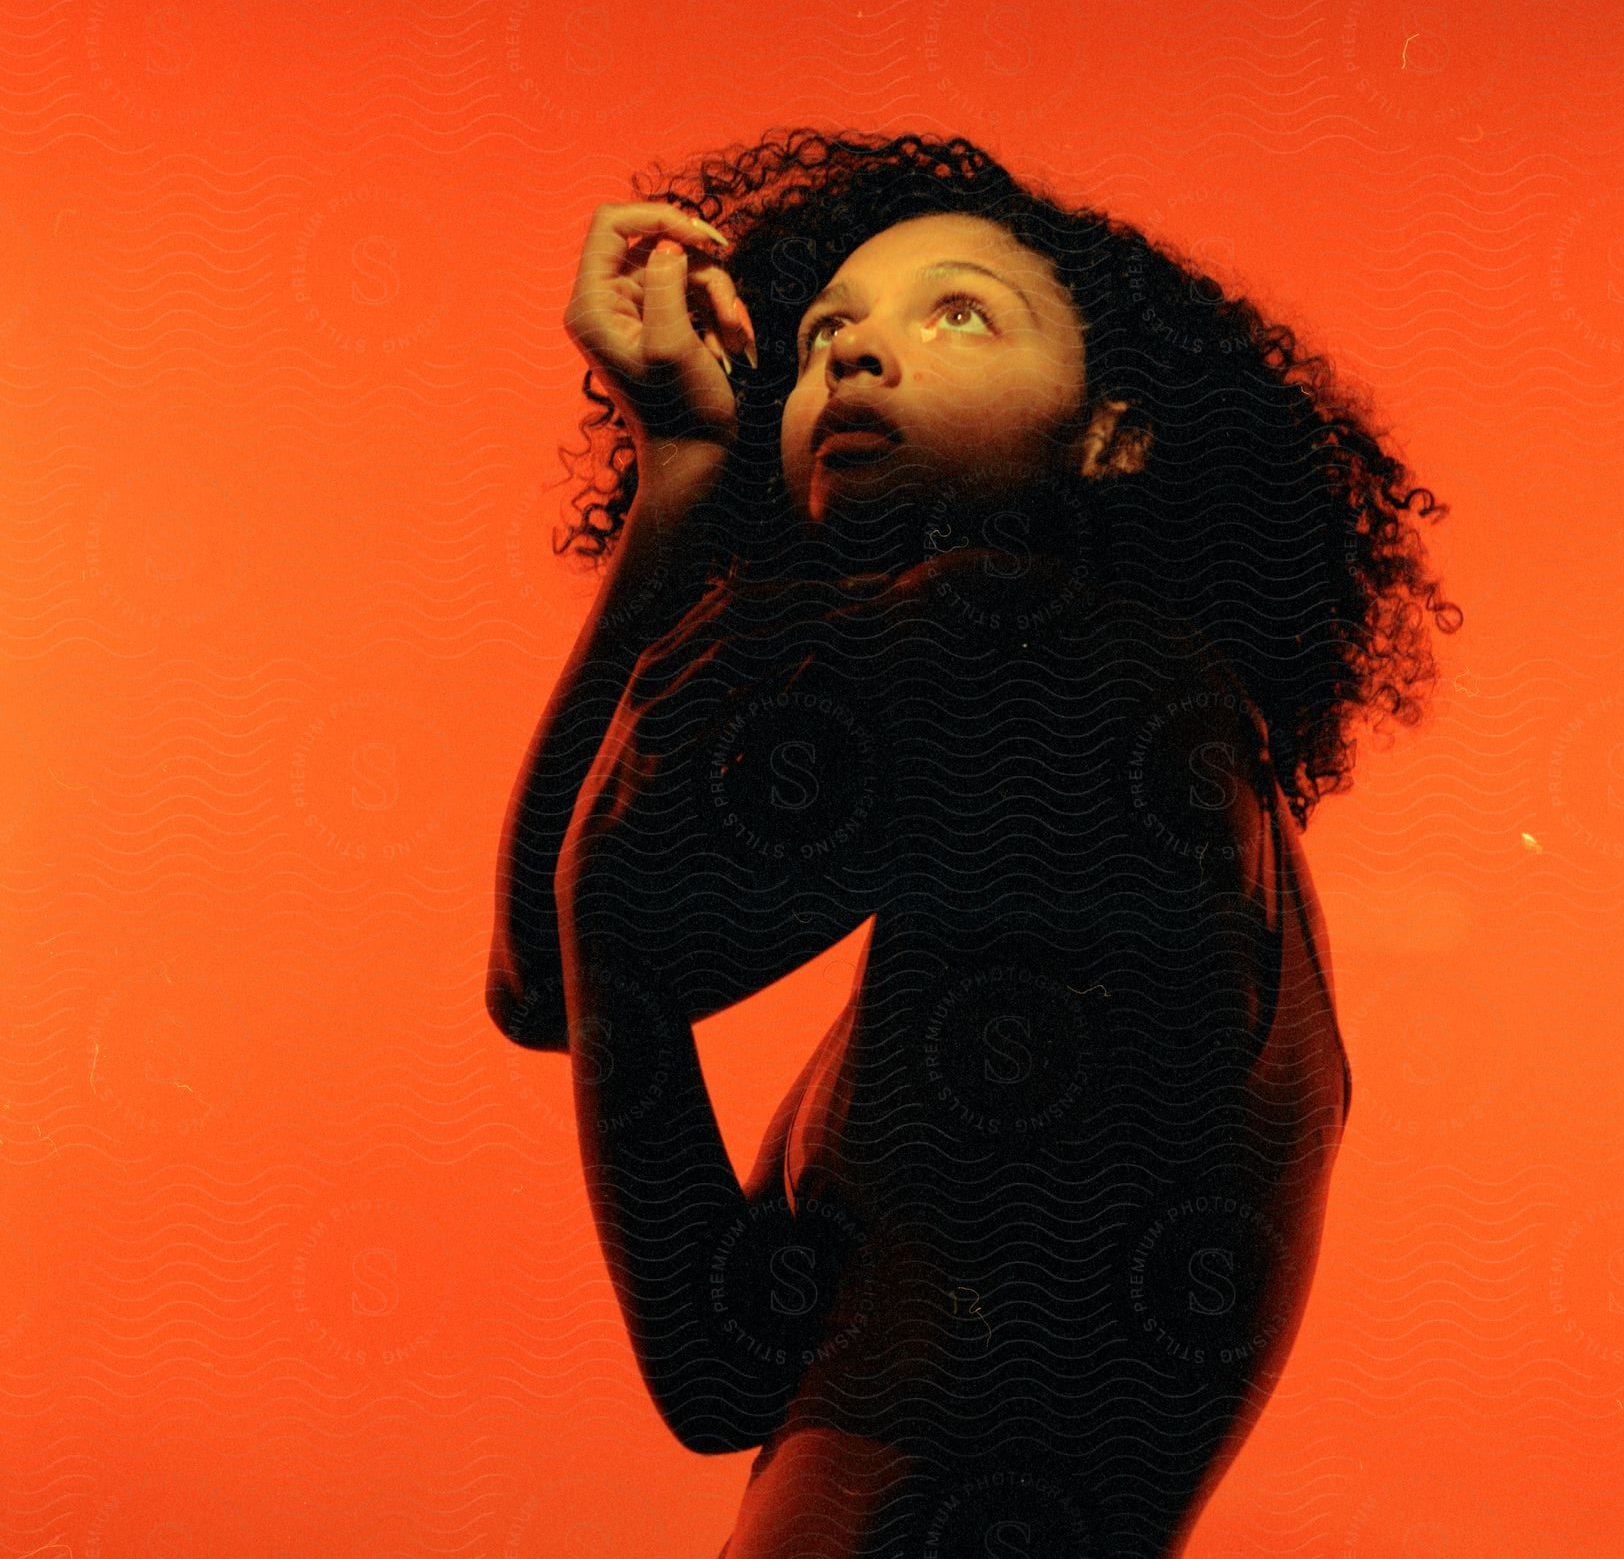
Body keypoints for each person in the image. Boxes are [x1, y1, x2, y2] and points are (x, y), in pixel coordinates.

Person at [487, 130, 1461, 1558]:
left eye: (958, 314)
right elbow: (567, 990)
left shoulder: (1032, 644)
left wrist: (686, 489)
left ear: (1115, 435)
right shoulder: (1132, 754)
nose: (860, 359)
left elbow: (569, 972)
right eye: (823, 339)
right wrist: (691, 465)